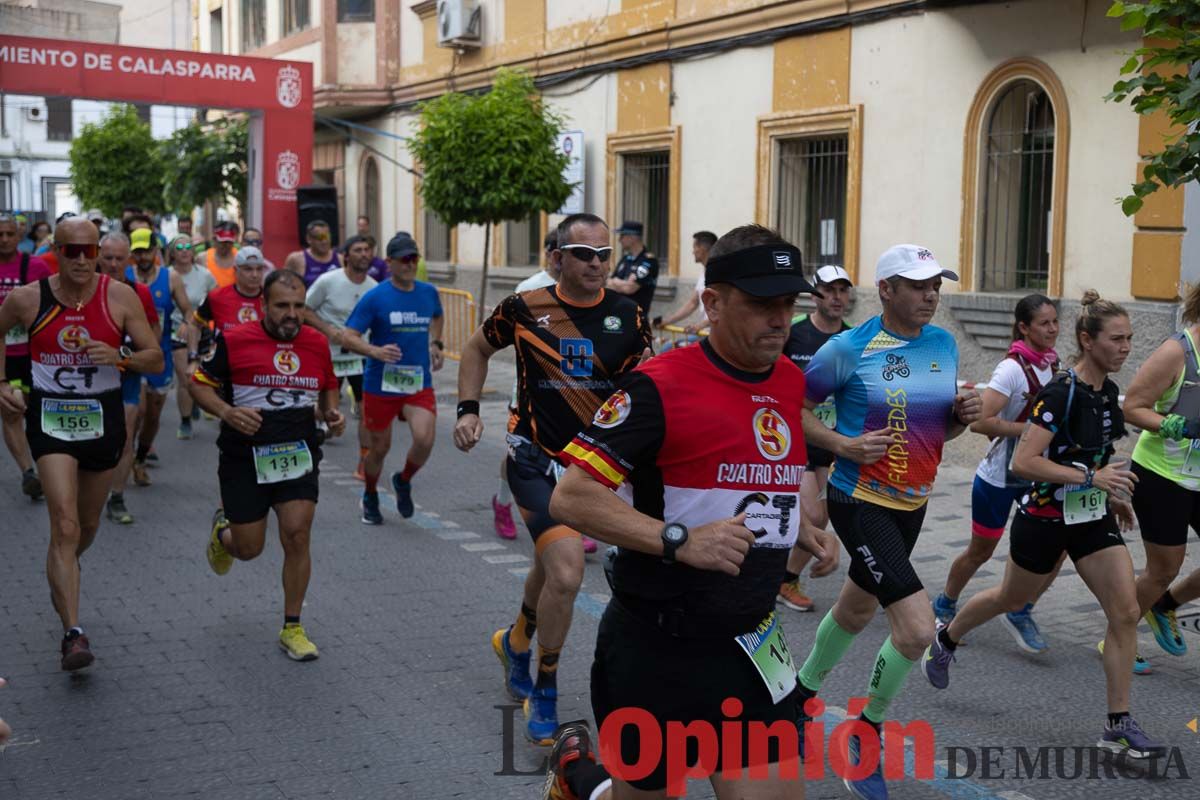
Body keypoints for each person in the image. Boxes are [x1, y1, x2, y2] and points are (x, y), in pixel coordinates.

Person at [540, 224, 836, 800]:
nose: (779, 319)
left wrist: (801, 522)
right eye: (760, 304)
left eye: (787, 303)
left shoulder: (786, 380)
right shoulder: (659, 386)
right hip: (657, 649)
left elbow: (767, 465)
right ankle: (580, 778)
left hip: (751, 643)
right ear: (713, 303)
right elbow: (570, 496)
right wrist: (680, 539)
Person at [923, 291, 1165, 761]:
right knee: (1011, 598)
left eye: (1130, 338)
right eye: (1116, 339)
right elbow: (1027, 462)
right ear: (1087, 340)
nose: (1126, 347)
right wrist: (1092, 477)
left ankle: (1117, 725)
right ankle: (946, 637)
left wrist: (1112, 494)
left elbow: (1098, 455)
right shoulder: (1060, 392)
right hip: (1044, 519)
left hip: (1091, 516)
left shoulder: (1107, 394)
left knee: (1125, 612)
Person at [455, 213, 653, 745]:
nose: (595, 263)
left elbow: (645, 385)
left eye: (603, 254)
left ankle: (517, 640)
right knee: (566, 573)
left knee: (551, 568)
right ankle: (544, 686)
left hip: (592, 467)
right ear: (557, 257)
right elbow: (475, 348)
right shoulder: (525, 307)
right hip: (534, 457)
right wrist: (468, 410)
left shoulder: (628, 314)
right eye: (583, 253)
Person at [791, 244, 980, 800]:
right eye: (919, 285)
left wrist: (960, 418)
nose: (931, 295)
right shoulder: (847, 348)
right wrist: (842, 443)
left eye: (936, 286)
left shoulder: (944, 345)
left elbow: (938, 432)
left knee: (855, 608)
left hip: (915, 502)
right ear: (887, 290)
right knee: (918, 629)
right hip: (859, 500)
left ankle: (799, 700)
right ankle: (864, 733)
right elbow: (794, 410)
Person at [0, 218, 161, 670]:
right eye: (71, 251)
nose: (81, 260)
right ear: (57, 250)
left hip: (102, 420)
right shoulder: (28, 298)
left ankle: (61, 564)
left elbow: (155, 357)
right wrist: (3, 382)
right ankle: (73, 633)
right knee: (66, 524)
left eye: (89, 252)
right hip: (50, 420)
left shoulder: (120, 296)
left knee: (85, 528)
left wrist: (121, 357)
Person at [191, 269, 345, 661]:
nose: (292, 314)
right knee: (249, 549)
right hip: (244, 455)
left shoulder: (315, 342)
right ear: (263, 305)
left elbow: (328, 384)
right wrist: (227, 411)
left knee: (297, 535)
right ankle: (223, 533)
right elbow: (198, 384)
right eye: (282, 306)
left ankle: (293, 626)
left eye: (298, 306)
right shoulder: (234, 340)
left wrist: (332, 413)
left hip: (297, 452)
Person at [931, 294, 1061, 655]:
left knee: (1056, 548)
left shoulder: (1053, 363)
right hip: (998, 480)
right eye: (1044, 323)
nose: (1052, 329)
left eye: (1055, 322)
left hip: (1035, 475)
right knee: (980, 552)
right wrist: (1034, 431)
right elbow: (980, 423)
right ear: (1024, 327)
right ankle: (944, 603)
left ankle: (1021, 609)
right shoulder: (1011, 370)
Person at [1121, 282, 1200, 670]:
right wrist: (1176, 426)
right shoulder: (1176, 352)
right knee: (1164, 567)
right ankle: (1117, 638)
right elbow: (1133, 407)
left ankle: (1165, 606)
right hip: (1161, 474)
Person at [341, 233, 442, 523]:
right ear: (389, 263)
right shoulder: (375, 297)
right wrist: (374, 350)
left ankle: (403, 480)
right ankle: (370, 493)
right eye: (404, 259)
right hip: (381, 384)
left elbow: (437, 315)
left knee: (424, 439)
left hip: (417, 381)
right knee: (380, 448)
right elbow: (349, 337)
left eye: (414, 258)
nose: (410, 264)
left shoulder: (428, 292)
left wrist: (436, 343)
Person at [777, 264, 854, 613]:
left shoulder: (853, 339)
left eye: (843, 290)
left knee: (820, 517)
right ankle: (780, 574)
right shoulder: (794, 333)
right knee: (810, 511)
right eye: (831, 290)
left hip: (830, 439)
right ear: (815, 295)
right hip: (792, 435)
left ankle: (786, 577)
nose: (838, 297)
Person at [493, 231, 562, 541]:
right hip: (529, 392)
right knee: (519, 454)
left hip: (573, 391)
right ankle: (503, 502)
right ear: (549, 254)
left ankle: (569, 518)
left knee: (570, 454)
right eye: (561, 252)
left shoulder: (589, 292)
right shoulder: (528, 289)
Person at [302, 235, 378, 480]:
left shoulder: (374, 287)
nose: (364, 254)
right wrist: (328, 331)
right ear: (346, 255)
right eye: (358, 250)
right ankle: (320, 425)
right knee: (328, 411)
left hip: (360, 356)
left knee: (367, 410)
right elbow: (304, 309)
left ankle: (364, 461)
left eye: (368, 250)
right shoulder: (328, 281)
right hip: (329, 355)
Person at [97, 233, 161, 525]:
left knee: (124, 437)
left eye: (119, 259)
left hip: (127, 376)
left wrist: (137, 358)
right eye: (107, 258)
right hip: (88, 379)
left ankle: (117, 497)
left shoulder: (139, 292)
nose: (112, 264)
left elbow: (154, 337)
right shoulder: (83, 290)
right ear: (98, 256)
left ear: (129, 260)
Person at [125, 228, 193, 483]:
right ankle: (125, 456)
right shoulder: (125, 276)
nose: (143, 256)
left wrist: (186, 323)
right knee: (138, 410)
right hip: (133, 355)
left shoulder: (171, 278)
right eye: (138, 251)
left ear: (156, 251)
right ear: (132, 253)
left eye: (147, 251)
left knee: (153, 416)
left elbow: (188, 310)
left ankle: (140, 458)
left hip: (161, 356)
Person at [0, 214, 53, 499]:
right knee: (10, 411)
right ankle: (27, 472)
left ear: (19, 235)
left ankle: (46, 464)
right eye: (0, 235)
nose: (5, 240)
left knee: (34, 412)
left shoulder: (35, 266)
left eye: (10, 234)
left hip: (34, 354)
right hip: (3, 355)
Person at [167, 236, 217, 439]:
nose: (185, 250)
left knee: (201, 376)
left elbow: (217, 303)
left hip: (201, 330)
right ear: (172, 253)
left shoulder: (205, 275)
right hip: (175, 330)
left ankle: (196, 400)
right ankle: (185, 420)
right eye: (179, 247)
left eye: (189, 247)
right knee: (185, 377)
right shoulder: (167, 276)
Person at [651, 230, 716, 345]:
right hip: (703, 334)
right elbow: (693, 303)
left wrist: (700, 325)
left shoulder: (718, 274)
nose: (693, 252)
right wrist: (667, 321)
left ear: (702, 248)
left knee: (669, 351)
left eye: (694, 247)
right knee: (667, 349)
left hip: (714, 337)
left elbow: (723, 309)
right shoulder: (704, 273)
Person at [192, 246, 266, 339]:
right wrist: (193, 352)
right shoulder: (217, 297)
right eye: (248, 269)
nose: (255, 275)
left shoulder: (271, 298)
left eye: (259, 269)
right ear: (236, 270)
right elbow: (194, 324)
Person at [606, 220, 659, 316]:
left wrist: (617, 282)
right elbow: (608, 283)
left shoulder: (648, 261)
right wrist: (623, 282)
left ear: (632, 237)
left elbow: (629, 289)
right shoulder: (626, 259)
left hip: (636, 318)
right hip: (619, 314)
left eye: (622, 236)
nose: (619, 240)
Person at [285, 220, 341, 287]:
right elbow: (284, 286)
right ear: (309, 239)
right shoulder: (296, 259)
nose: (324, 241)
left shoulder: (340, 258)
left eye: (326, 236)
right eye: (320, 238)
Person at [204, 222, 240, 288]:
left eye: (229, 242)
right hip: (211, 297)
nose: (226, 245)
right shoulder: (203, 258)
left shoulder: (240, 257)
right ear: (215, 240)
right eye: (222, 242)